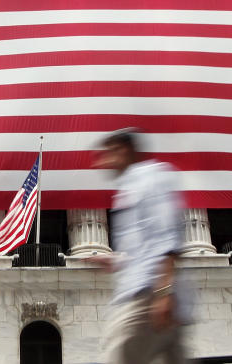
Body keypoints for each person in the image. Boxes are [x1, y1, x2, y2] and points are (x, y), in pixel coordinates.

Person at [93, 129, 189, 364]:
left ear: (124, 151)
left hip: (146, 297)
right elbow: (142, 248)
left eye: (109, 154)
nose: (103, 162)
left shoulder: (151, 178)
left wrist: (163, 293)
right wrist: (116, 261)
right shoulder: (129, 188)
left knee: (117, 358)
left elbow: (166, 237)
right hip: (153, 295)